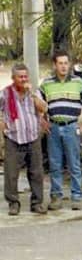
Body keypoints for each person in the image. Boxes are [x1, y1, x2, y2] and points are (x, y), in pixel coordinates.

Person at [40, 50, 82, 210]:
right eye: (60, 63)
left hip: (71, 127)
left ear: (69, 64)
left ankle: (77, 196)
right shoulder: (47, 83)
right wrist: (42, 121)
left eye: (66, 63)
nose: (63, 67)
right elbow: (37, 101)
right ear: (55, 65)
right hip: (54, 128)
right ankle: (56, 197)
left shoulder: (78, 82)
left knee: (74, 164)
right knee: (55, 164)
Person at [1, 64, 47, 215]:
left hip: (32, 136)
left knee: (36, 172)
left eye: (25, 76)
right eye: (20, 77)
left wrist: (32, 94)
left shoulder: (35, 92)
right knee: (11, 173)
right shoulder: (5, 93)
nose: (23, 79)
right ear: (13, 78)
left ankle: (37, 203)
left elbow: (43, 108)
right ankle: (13, 203)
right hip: (13, 137)